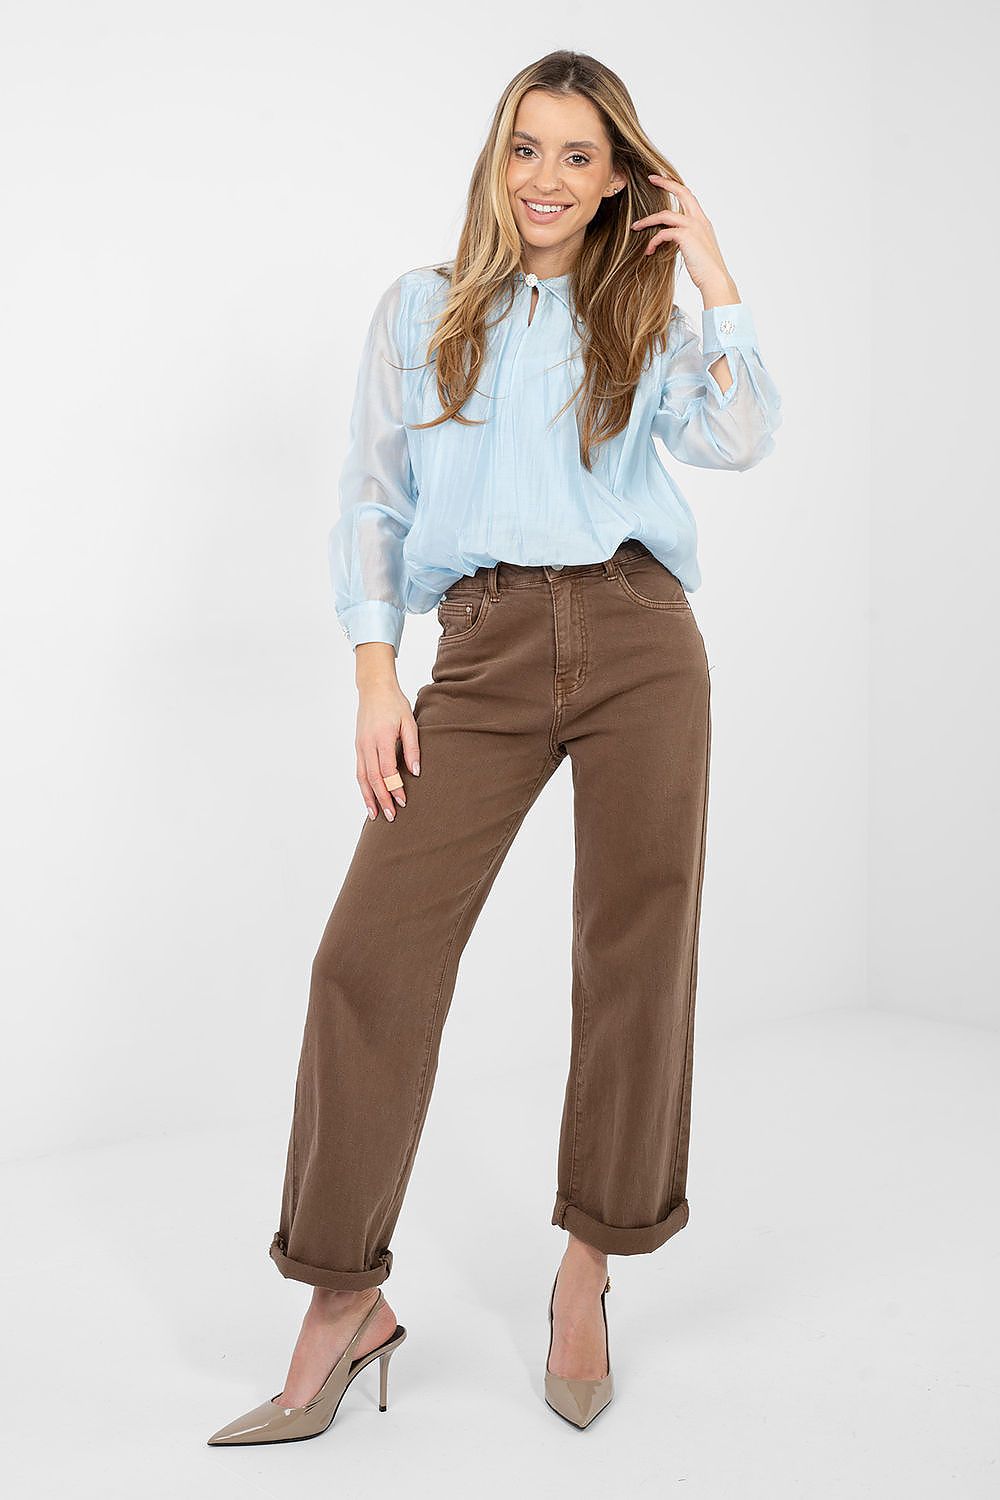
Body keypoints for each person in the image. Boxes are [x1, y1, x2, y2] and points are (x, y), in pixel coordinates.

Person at [208, 47, 782, 1445]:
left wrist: (712, 267)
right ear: (496, 157)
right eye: (527, 148)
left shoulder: (642, 309)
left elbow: (744, 433)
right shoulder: (422, 311)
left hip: (644, 638)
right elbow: (372, 501)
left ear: (618, 179)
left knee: (635, 949)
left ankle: (586, 1273)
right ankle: (344, 1298)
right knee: (370, 954)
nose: (545, 179)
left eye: (580, 157)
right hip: (478, 649)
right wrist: (374, 676)